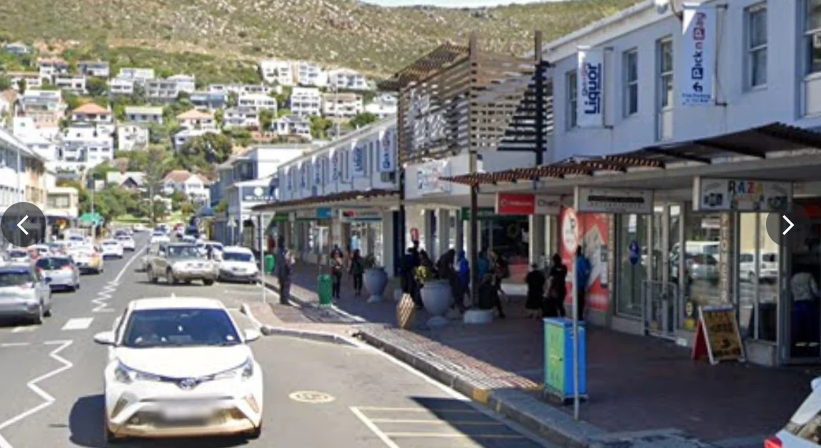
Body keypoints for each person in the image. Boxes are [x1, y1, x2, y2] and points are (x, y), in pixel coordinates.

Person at [546, 253, 568, 318]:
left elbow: (550, 280)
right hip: (562, 288)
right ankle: (563, 316)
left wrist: (548, 291)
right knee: (560, 304)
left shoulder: (553, 268)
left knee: (554, 304)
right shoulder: (564, 267)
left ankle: (556, 318)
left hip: (554, 289)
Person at [575, 246, 591, 321]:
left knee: (579, 301)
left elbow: (586, 271)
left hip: (579, 284)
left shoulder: (579, 260)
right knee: (580, 301)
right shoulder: (580, 260)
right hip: (580, 284)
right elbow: (587, 271)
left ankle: (579, 316)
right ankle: (579, 316)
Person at [275, 237, 292, 305]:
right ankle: (285, 300)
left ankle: (282, 300)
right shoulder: (285, 251)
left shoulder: (278, 251)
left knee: (282, 286)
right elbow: (287, 261)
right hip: (286, 271)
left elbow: (278, 262)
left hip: (280, 271)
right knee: (286, 286)